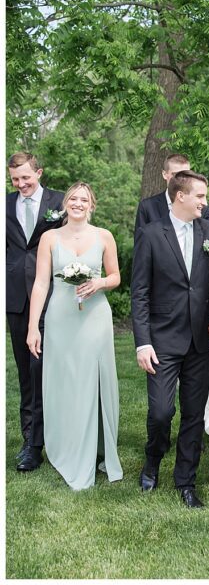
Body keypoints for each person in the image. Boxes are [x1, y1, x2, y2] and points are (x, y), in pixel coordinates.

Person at [131, 169, 209, 508]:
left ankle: (186, 480)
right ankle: (153, 458)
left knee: (193, 414)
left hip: (201, 341)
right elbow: (139, 292)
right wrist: (143, 342)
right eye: (200, 195)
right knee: (160, 412)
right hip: (161, 339)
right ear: (181, 195)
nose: (205, 201)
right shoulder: (150, 234)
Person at [26, 182, 123, 490]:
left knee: (92, 380)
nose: (78, 203)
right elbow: (41, 284)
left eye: (84, 200)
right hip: (60, 318)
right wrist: (33, 327)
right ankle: (68, 447)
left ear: (92, 205)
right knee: (65, 381)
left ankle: (97, 449)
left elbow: (116, 276)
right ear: (65, 204)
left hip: (95, 318)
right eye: (73, 199)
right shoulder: (49, 238)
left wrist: (99, 284)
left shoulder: (104, 236)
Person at [6, 152, 65, 472]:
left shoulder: (59, 201)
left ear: (39, 172)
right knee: (25, 372)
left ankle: (56, 435)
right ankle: (30, 443)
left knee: (45, 368)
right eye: (15, 179)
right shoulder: (4, 204)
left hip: (52, 295)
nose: (21, 184)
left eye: (26, 177)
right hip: (15, 298)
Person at [134, 153, 209, 241]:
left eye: (186, 176)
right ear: (164, 174)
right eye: (175, 175)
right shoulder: (147, 207)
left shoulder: (204, 208)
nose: (180, 180)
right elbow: (141, 244)